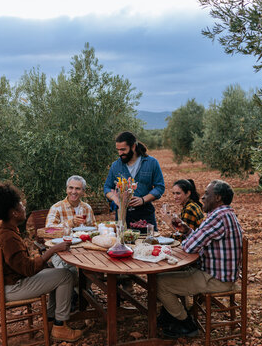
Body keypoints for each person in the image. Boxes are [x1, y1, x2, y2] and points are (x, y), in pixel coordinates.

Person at [0, 180, 82, 342]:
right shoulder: (8, 237)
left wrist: (47, 260)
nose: (24, 206)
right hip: (11, 288)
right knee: (66, 275)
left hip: (6, 283)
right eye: (20, 205)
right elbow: (28, 269)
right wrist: (52, 251)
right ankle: (59, 327)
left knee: (58, 273)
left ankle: (51, 321)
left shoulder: (2, 227)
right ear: (14, 213)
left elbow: (22, 265)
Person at [156, 180, 243, 339]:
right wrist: (187, 230)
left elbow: (189, 247)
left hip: (216, 279)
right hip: (220, 274)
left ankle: (186, 323)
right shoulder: (225, 214)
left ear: (217, 198)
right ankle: (171, 314)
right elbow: (200, 239)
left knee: (159, 282)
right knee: (175, 271)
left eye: (207, 194)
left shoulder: (217, 217)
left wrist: (183, 233)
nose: (202, 198)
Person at [104, 131, 165, 230]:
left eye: (123, 149)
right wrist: (115, 199)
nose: (120, 153)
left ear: (133, 146)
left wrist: (143, 200)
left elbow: (160, 187)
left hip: (145, 214)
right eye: (118, 150)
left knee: (147, 244)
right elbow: (107, 187)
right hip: (123, 216)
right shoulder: (115, 165)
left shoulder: (152, 163)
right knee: (123, 243)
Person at [45, 175, 96, 283]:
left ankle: (85, 292)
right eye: (71, 188)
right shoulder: (57, 208)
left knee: (94, 267)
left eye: (77, 188)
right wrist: (70, 223)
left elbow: (94, 229)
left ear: (83, 191)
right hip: (61, 250)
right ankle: (73, 294)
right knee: (69, 272)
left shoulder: (87, 208)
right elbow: (48, 231)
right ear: (66, 189)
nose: (74, 191)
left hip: (84, 249)